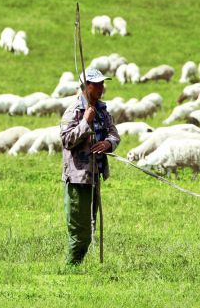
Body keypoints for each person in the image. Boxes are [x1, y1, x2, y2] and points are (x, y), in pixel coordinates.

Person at [60, 67, 120, 265]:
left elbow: (114, 134)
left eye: (103, 83)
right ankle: (71, 266)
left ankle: (76, 265)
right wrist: (85, 122)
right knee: (80, 228)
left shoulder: (102, 110)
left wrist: (108, 144)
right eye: (97, 84)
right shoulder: (74, 111)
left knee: (91, 224)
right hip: (78, 176)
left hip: (95, 174)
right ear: (86, 86)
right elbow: (67, 140)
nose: (102, 87)